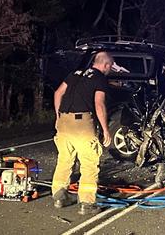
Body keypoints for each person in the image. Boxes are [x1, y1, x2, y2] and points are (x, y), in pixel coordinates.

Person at [51, 52, 114, 215]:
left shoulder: (75, 73)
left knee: (64, 160)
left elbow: (58, 93)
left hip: (64, 122)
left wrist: (58, 116)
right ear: (105, 65)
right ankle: (86, 203)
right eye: (111, 66)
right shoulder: (99, 78)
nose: (110, 69)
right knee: (89, 163)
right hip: (82, 124)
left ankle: (59, 197)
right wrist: (106, 129)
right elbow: (99, 104)